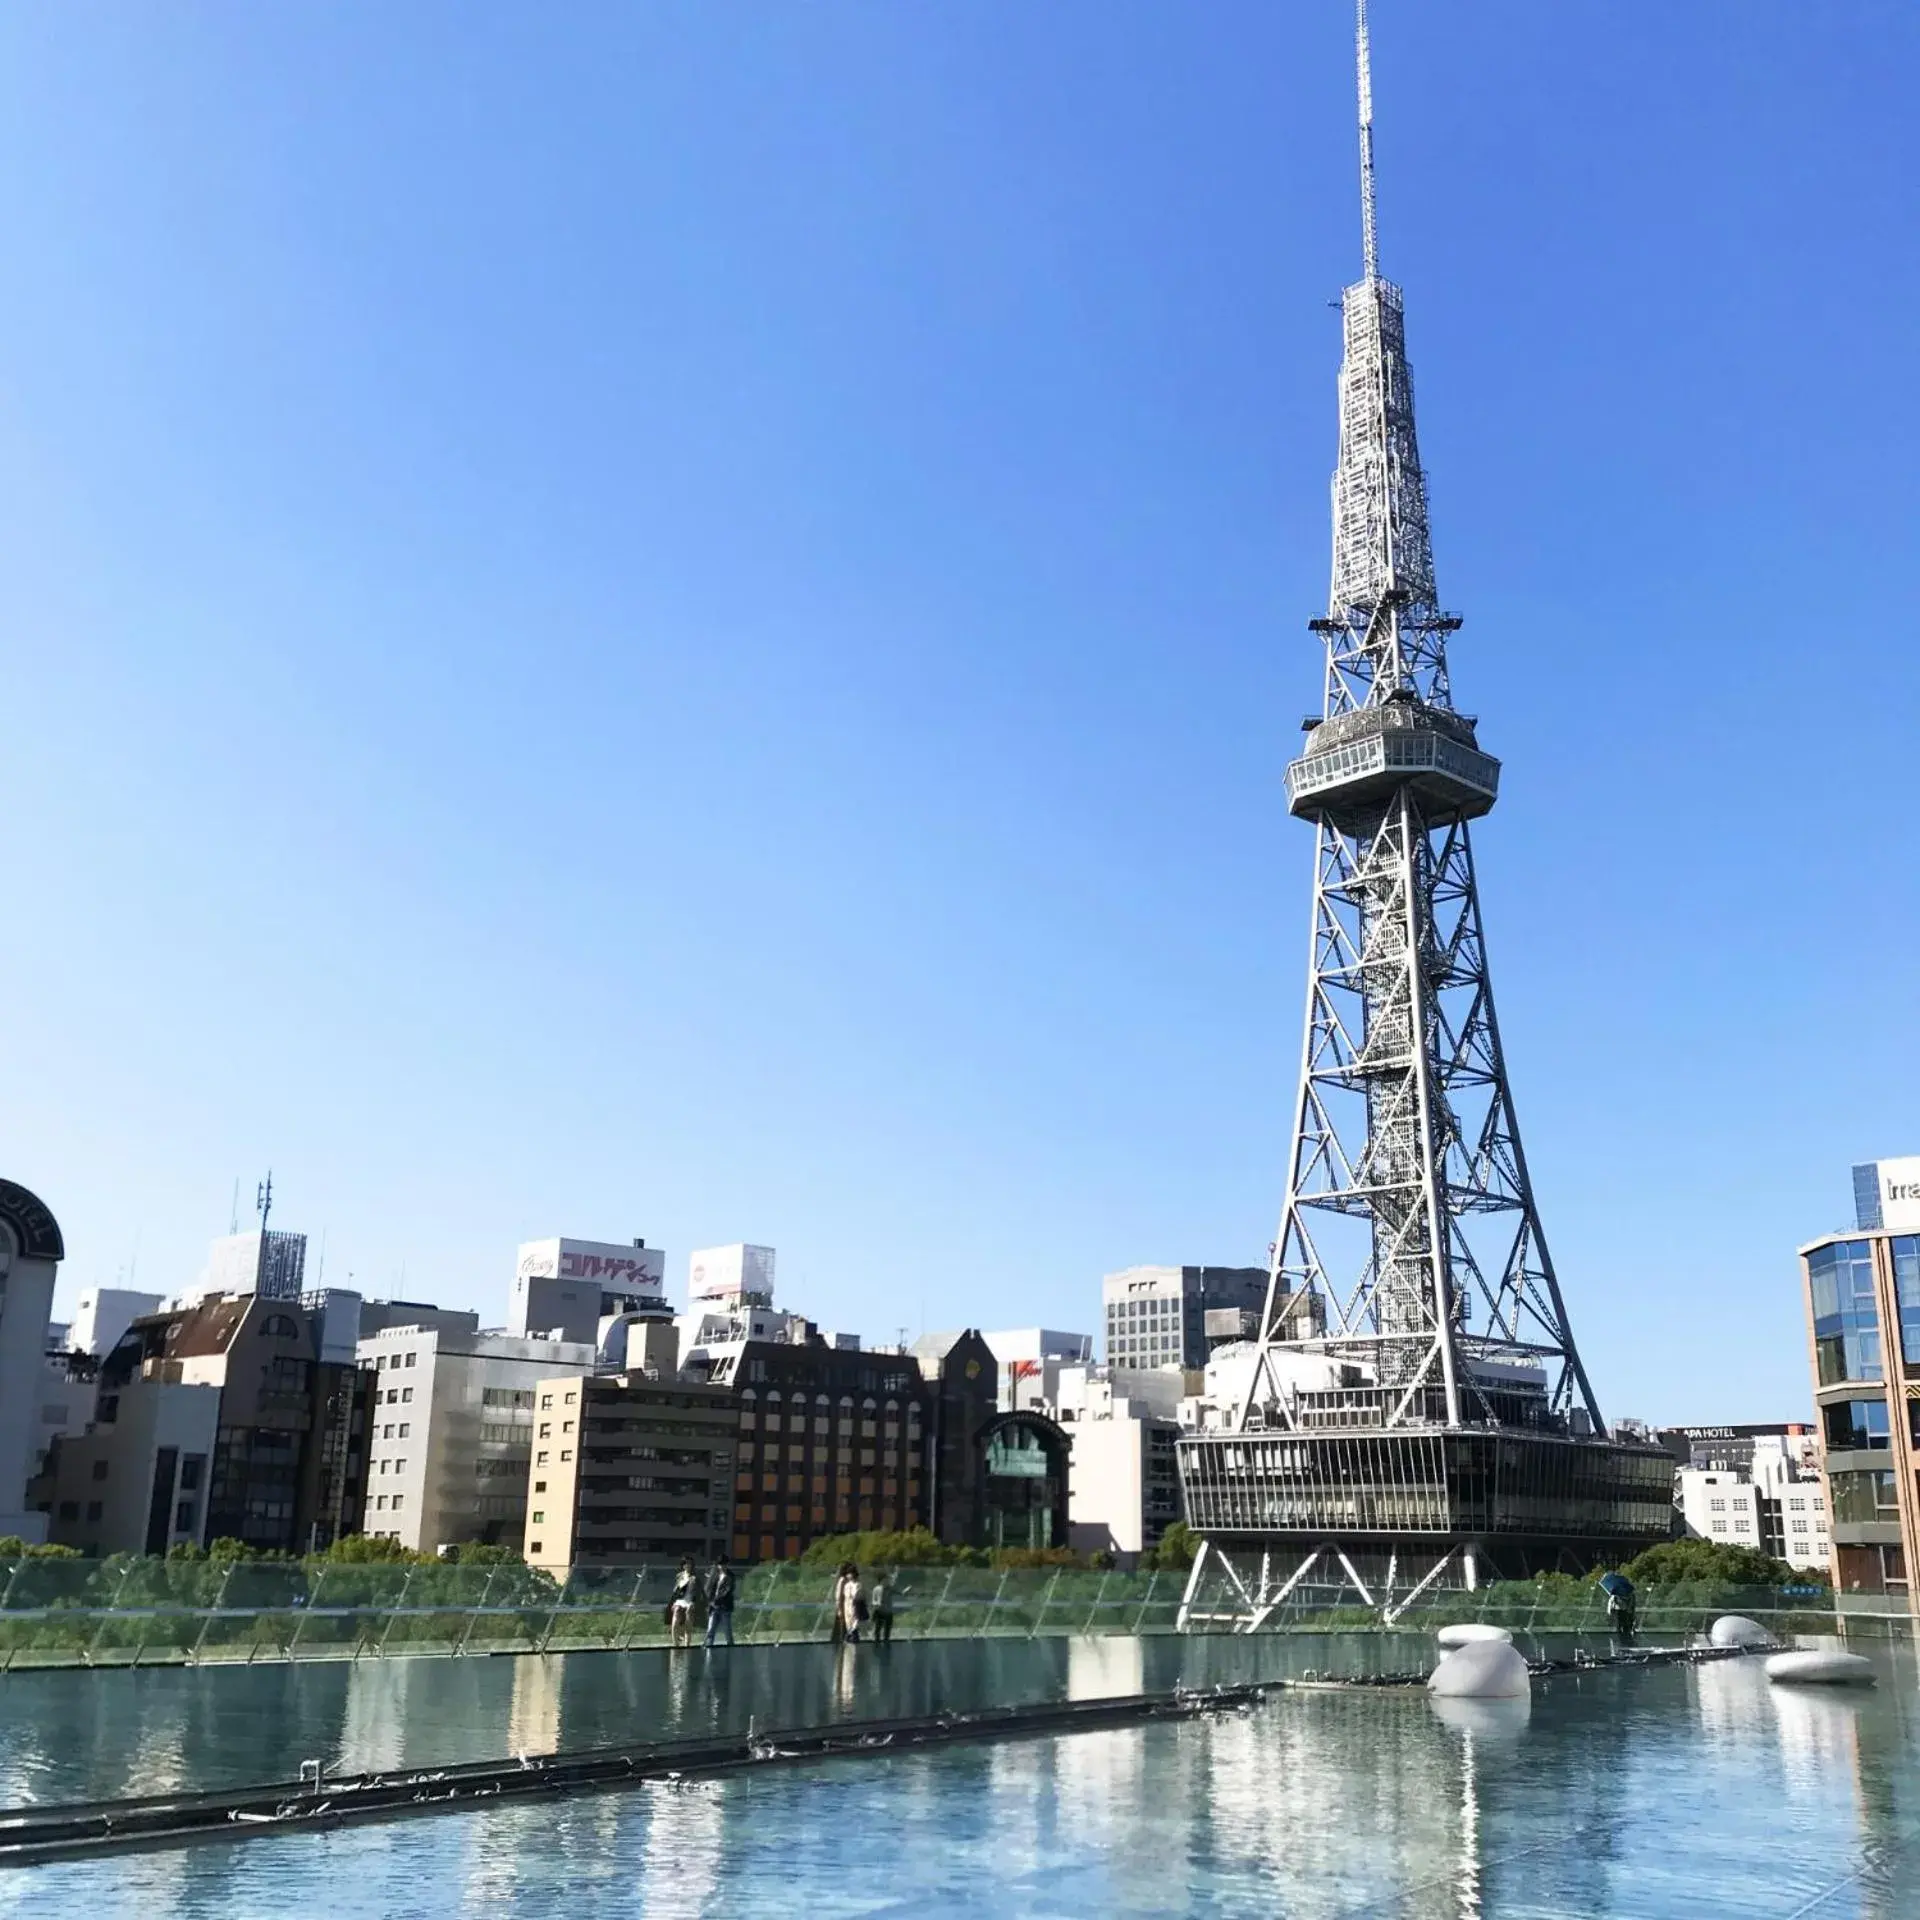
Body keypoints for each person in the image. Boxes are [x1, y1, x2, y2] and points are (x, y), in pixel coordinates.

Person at [703, 1554, 736, 1649]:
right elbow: (709, 1589)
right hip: (714, 1607)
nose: (722, 1566)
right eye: (720, 1564)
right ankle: (708, 1648)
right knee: (710, 1630)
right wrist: (710, 1602)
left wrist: (716, 1600)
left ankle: (731, 1649)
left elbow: (727, 1591)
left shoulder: (730, 1576)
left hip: (724, 1607)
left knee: (727, 1631)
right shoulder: (715, 1574)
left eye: (724, 1564)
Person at [669, 1558, 697, 1650]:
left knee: (688, 1621)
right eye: (686, 1564)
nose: (688, 1566)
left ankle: (687, 1645)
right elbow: (675, 1590)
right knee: (676, 1616)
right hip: (680, 1600)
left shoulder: (694, 1577)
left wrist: (693, 1602)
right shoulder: (679, 1576)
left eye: (689, 1564)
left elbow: (697, 1592)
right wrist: (673, 1602)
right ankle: (675, 1644)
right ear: (683, 1565)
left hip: (689, 1601)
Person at [839, 1564, 865, 1645]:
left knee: (854, 1621)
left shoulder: (858, 1584)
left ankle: (853, 1636)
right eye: (848, 1574)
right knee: (848, 1621)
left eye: (850, 1573)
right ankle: (850, 1635)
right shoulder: (847, 1585)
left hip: (854, 1604)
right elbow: (844, 1595)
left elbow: (857, 1595)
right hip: (847, 1604)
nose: (848, 1575)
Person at [869, 1568, 895, 1644]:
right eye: (885, 1580)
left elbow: (899, 1592)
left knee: (888, 1629)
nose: (887, 1581)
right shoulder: (876, 1589)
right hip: (880, 1611)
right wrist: (877, 1603)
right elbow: (873, 1600)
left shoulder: (890, 1589)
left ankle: (886, 1641)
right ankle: (876, 1641)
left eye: (887, 1580)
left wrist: (905, 1592)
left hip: (888, 1611)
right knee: (878, 1628)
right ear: (881, 1581)